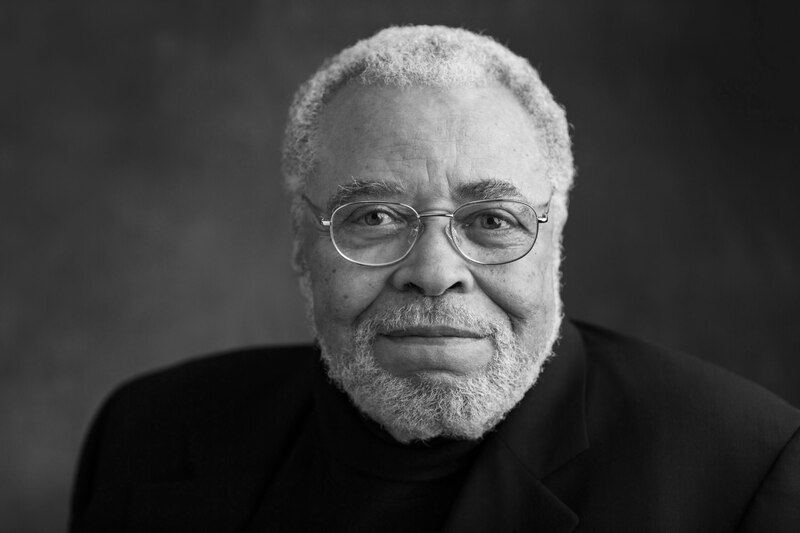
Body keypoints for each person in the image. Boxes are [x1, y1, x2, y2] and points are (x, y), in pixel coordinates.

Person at [69, 25, 800, 532]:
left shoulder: (742, 468)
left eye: (491, 221)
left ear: (556, 238)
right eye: (377, 216)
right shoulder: (150, 436)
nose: (434, 274)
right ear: (302, 241)